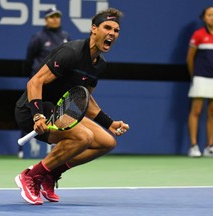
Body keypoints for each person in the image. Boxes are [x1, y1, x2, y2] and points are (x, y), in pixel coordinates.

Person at [14, 8, 129, 205]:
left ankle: (51, 173)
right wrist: (37, 116)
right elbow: (35, 82)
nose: (112, 33)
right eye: (107, 27)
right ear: (94, 29)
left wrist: (108, 123)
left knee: (106, 142)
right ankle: (32, 176)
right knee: (84, 137)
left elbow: (84, 100)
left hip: (61, 111)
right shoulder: (71, 52)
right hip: (33, 109)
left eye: (116, 30)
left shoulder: (99, 65)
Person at [18, 7, 71, 158]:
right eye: (51, 17)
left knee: (56, 114)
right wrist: (33, 79)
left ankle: (57, 147)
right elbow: (29, 60)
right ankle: (24, 149)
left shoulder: (65, 36)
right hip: (40, 84)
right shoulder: (38, 37)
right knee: (33, 112)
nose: (55, 19)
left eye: (57, 16)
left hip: (58, 85)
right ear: (46, 20)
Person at [187, 6, 213, 157]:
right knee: (196, 111)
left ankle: (210, 147)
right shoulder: (198, 35)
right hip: (200, 76)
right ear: (204, 18)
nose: (212, 17)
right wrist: (195, 75)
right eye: (209, 15)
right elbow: (190, 58)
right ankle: (194, 146)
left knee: (212, 112)